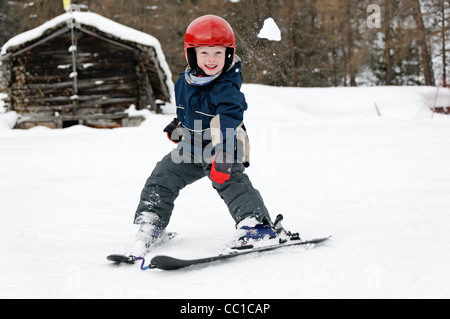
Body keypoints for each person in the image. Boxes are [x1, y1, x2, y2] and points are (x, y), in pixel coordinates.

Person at [131, 15, 285, 255]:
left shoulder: (226, 87)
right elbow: (190, 112)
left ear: (229, 54)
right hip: (191, 147)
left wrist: (223, 155)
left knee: (227, 178)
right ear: (191, 54)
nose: (211, 59)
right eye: (204, 53)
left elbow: (228, 120)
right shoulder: (184, 82)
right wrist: (178, 126)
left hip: (224, 143)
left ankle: (256, 226)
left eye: (218, 53)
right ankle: (152, 223)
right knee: (163, 174)